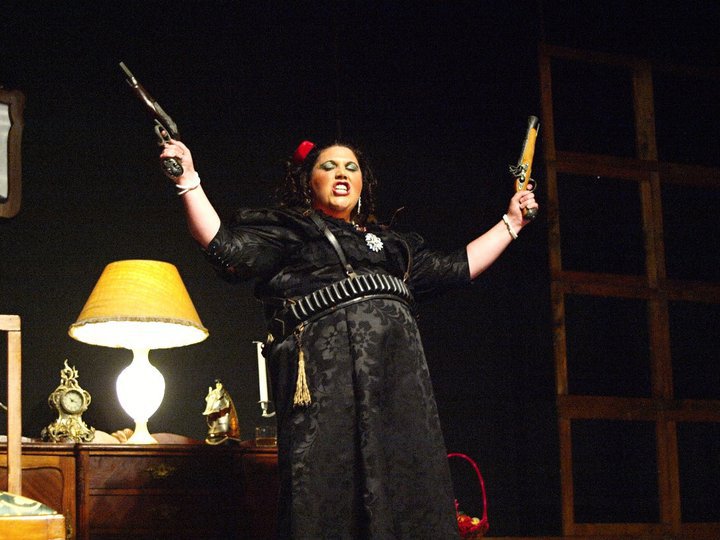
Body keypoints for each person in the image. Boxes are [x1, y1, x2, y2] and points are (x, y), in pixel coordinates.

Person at [160, 138, 537, 539]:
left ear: (362, 183)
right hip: (326, 382)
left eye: (351, 167)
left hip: (396, 382)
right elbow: (224, 246)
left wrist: (512, 223)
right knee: (330, 485)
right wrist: (188, 181)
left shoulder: (394, 246)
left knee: (405, 481)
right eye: (328, 166)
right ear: (308, 181)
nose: (341, 172)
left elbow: (457, 267)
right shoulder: (292, 231)